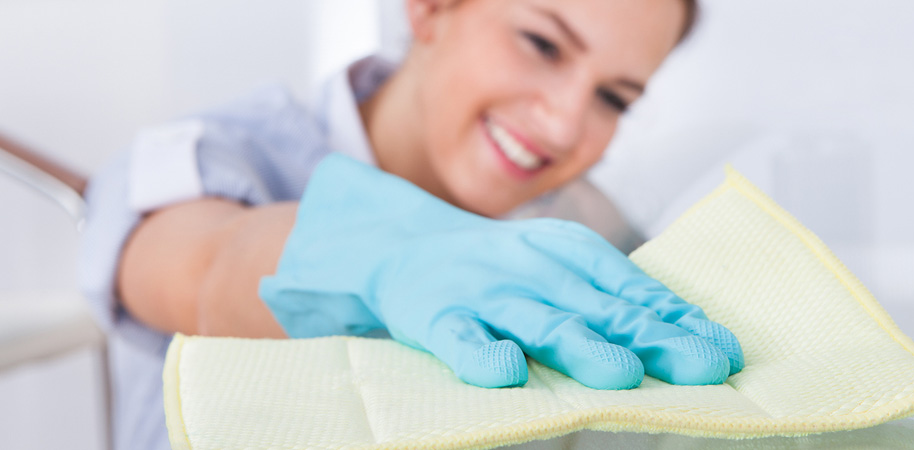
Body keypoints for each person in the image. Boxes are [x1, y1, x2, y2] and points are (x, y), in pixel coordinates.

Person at [80, 1, 743, 449]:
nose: (565, 124)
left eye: (612, 98)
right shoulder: (220, 155)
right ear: (429, 6)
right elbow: (207, 264)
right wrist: (389, 258)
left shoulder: (587, 228)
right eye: (542, 44)